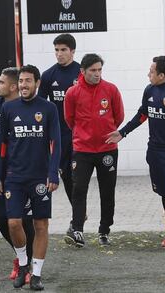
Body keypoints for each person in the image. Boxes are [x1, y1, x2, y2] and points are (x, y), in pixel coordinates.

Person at [106, 56, 165, 251]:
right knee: (162, 192)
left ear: (162, 75)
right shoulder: (149, 90)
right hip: (155, 151)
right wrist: (123, 132)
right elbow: (142, 114)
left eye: (151, 71)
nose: (148, 74)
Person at [0, 65, 61, 290]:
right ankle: (23, 264)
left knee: (41, 224)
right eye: (21, 81)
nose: (23, 85)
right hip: (14, 176)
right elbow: (1, 146)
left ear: (37, 83)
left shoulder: (49, 108)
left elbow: (55, 143)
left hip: (40, 177)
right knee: (13, 223)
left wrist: (53, 173)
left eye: (28, 81)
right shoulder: (9, 108)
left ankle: (37, 274)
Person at [63, 53, 124, 247]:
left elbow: (119, 116)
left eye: (99, 70)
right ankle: (78, 230)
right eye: (93, 70)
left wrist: (105, 132)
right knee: (79, 189)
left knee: (108, 191)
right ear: (83, 71)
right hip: (82, 149)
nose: (97, 74)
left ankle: (104, 231)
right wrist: (85, 134)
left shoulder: (111, 89)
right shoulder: (72, 93)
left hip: (107, 149)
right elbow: (69, 119)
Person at [0, 67, 34, 282]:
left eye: (1, 82)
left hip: (23, 172)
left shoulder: (30, 107)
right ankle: (21, 256)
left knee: (24, 220)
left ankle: (26, 265)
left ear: (13, 87)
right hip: (0, 171)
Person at [38, 33, 81, 233]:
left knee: (77, 176)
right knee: (66, 176)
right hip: (59, 136)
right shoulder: (48, 76)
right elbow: (41, 107)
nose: (59, 54)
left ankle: (77, 217)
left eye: (63, 50)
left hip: (80, 134)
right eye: (56, 50)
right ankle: (78, 211)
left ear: (72, 51)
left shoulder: (81, 73)